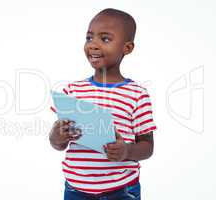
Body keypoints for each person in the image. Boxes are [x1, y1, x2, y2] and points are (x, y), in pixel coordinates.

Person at [49, 8, 157, 200]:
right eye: (89, 38)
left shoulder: (137, 94)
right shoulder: (72, 91)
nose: (93, 45)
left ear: (127, 48)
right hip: (76, 190)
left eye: (105, 39)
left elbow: (147, 147)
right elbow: (57, 144)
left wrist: (127, 151)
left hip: (122, 191)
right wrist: (57, 136)